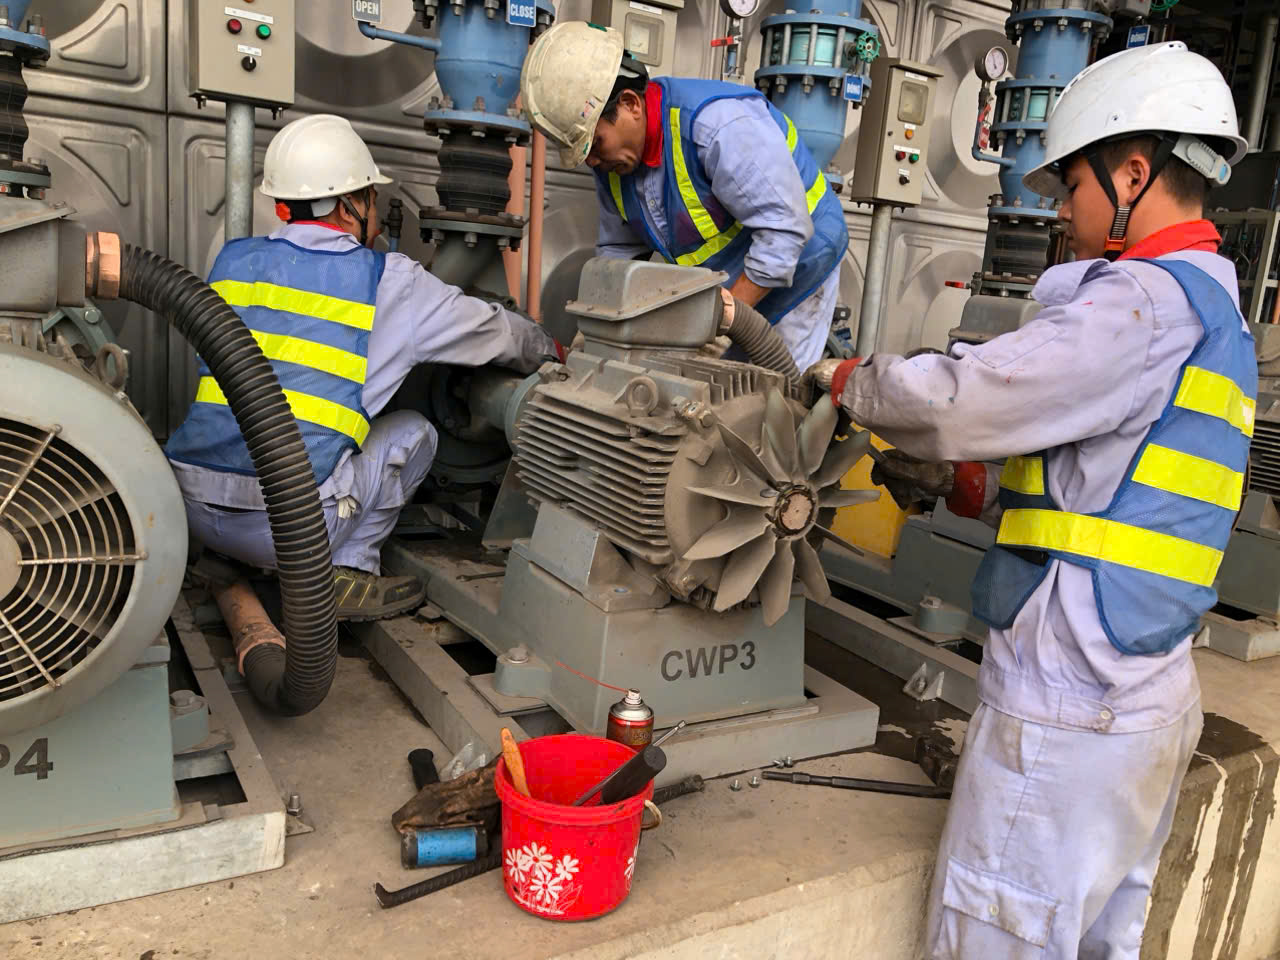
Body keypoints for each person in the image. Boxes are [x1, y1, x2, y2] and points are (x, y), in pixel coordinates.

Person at [811, 42, 1252, 958]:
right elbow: (1120, 487)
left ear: (1134, 173)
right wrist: (970, 486)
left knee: (999, 934)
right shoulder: (1218, 307)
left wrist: (848, 378)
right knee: (1096, 940)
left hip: (1073, 702)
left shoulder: (1139, 303)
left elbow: (955, 400)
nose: (1059, 210)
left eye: (1071, 186)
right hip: (1148, 694)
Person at [167, 114, 558, 621]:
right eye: (371, 196)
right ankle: (347, 572)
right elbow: (497, 333)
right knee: (416, 433)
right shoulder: (388, 280)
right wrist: (551, 349)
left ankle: (229, 557)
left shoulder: (233, 260)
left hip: (190, 508)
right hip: (286, 533)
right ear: (349, 203)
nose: (373, 208)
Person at [520, 21, 848, 372]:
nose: (592, 162)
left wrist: (718, 327)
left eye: (595, 144)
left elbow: (783, 232)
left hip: (800, 269)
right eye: (583, 152)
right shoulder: (613, 164)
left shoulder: (717, 127)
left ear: (630, 104)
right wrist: (596, 330)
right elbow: (618, 255)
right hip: (730, 288)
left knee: (775, 393)